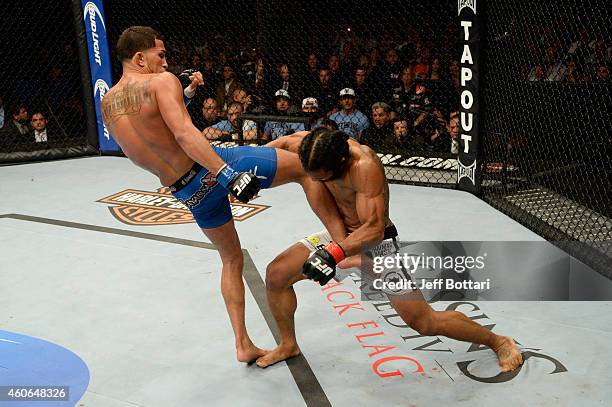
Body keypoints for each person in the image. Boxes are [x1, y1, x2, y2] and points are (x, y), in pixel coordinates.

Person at [101, 26, 343, 363]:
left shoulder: (109, 102)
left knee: (231, 259)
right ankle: (342, 240)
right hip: (212, 169)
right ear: (140, 57)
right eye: (160, 55)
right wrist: (225, 173)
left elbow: (143, 140)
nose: (165, 61)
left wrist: (183, 97)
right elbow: (184, 133)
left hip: (185, 190)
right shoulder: (160, 81)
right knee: (305, 167)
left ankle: (242, 343)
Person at [257, 129, 524, 373]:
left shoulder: (364, 165)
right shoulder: (309, 147)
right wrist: (245, 172)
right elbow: (274, 148)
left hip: (376, 244)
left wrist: (333, 254)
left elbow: (374, 228)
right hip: (337, 235)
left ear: (339, 161)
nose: (315, 181)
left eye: (322, 176)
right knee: (277, 274)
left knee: (422, 321)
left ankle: (497, 341)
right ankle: (288, 344)